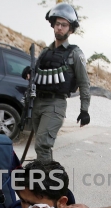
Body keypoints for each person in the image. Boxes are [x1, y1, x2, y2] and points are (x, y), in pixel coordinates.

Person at [21, 3, 91, 162]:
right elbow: (36, 72)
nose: (59, 27)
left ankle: (44, 181)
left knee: (43, 145)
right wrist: (28, 72)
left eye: (64, 25)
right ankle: (46, 178)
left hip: (55, 104)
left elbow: (84, 83)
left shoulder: (75, 53)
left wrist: (84, 109)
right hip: (37, 101)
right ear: (53, 25)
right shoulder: (46, 52)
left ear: (71, 29)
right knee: (41, 146)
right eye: (57, 24)